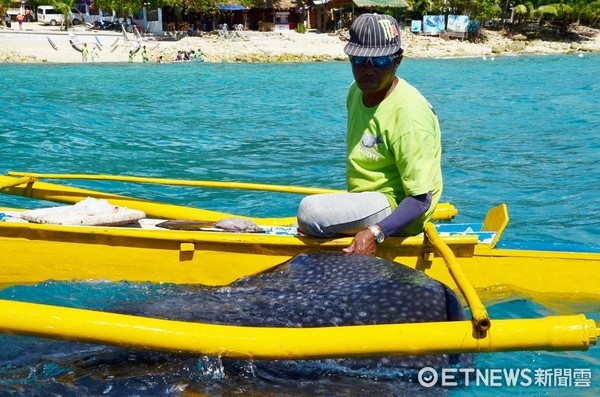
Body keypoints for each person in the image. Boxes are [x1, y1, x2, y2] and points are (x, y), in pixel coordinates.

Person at [296, 13, 443, 256]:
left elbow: (421, 199)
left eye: (380, 61)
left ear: (398, 61)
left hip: (401, 208)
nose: (367, 70)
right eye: (359, 60)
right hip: (371, 199)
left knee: (309, 211)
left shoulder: (409, 116)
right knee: (315, 214)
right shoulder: (355, 92)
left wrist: (376, 232)